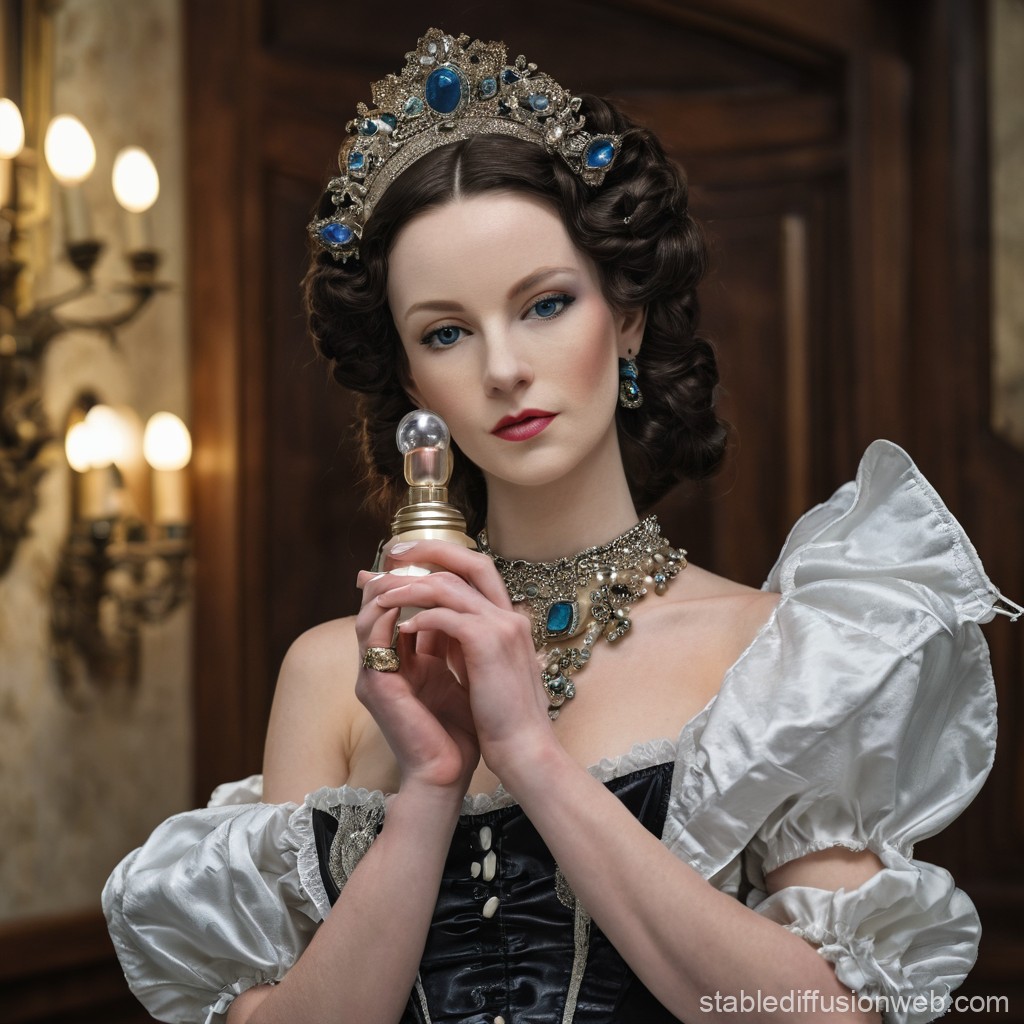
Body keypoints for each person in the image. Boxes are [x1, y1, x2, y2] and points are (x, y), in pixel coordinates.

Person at [102, 28, 1019, 1024]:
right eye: (446, 331)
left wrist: (531, 755)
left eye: (543, 304)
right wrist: (430, 788)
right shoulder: (333, 676)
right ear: (410, 380)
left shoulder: (778, 653)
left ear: (623, 317)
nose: (500, 367)